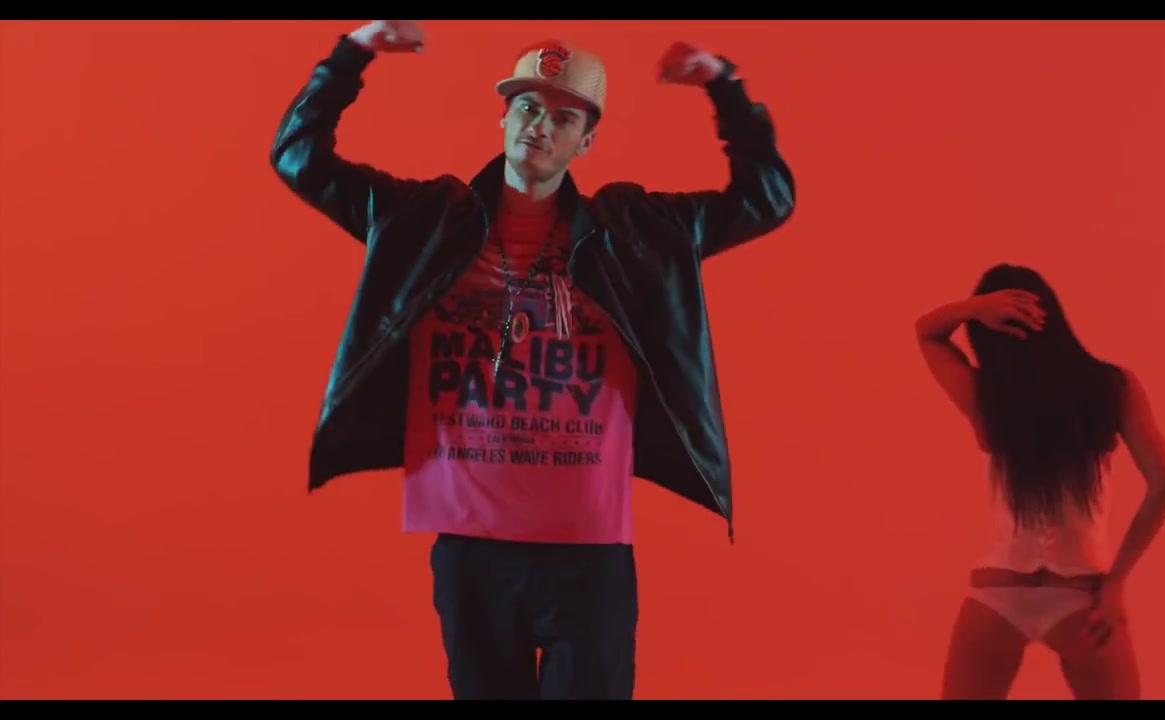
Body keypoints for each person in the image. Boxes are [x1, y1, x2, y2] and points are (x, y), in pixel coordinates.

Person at [269, 20, 795, 700]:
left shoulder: (637, 235)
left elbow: (767, 198)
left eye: (564, 117)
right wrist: (353, 52)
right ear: (504, 116)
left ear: (587, 141)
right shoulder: (423, 221)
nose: (539, 126)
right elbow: (298, 156)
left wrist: (725, 89)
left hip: (587, 548)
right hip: (469, 543)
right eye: (526, 106)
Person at [914, 263, 1165, 700]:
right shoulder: (1113, 388)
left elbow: (927, 332)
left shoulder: (988, 399)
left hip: (998, 597)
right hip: (1082, 600)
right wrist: (1116, 583)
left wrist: (974, 308)